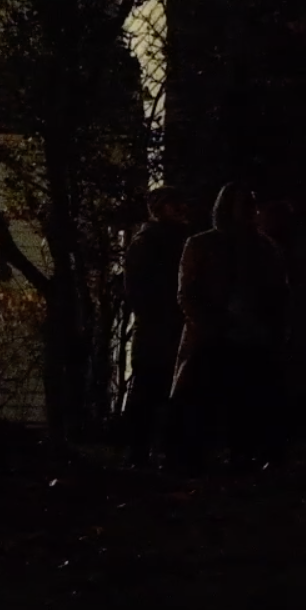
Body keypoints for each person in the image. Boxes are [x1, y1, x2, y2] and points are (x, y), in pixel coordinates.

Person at [167, 183, 289, 474]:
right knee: (203, 399)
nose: (250, 211)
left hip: (251, 335)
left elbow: (280, 293)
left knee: (246, 400)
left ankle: (242, 454)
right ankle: (196, 456)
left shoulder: (265, 248)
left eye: (251, 205)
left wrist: (272, 327)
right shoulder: (202, 245)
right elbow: (188, 293)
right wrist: (212, 324)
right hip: (214, 336)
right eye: (244, 205)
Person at [123, 187, 196, 466]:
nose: (181, 209)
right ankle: (146, 450)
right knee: (153, 389)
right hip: (160, 328)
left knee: (156, 390)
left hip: (163, 327)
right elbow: (139, 291)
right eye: (174, 204)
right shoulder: (152, 243)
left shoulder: (161, 241)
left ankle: (149, 450)